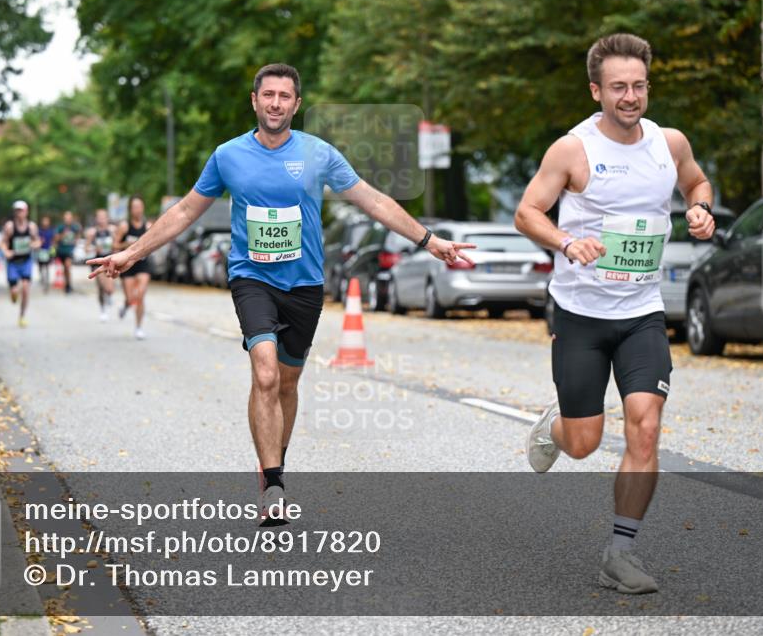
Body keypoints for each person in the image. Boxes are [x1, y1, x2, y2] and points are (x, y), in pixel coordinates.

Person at [90, 63, 474, 525]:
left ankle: (276, 459)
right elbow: (187, 210)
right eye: (267, 94)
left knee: (288, 382)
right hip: (252, 277)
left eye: (284, 96)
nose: (275, 103)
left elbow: (373, 200)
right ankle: (273, 484)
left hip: (305, 284)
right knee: (266, 372)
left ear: (296, 104)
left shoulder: (318, 154)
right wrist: (132, 252)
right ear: (254, 101)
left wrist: (430, 242)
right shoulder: (228, 156)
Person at [514, 33, 715, 594]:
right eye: (619, 87)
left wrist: (700, 207)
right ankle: (555, 428)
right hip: (580, 313)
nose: (631, 96)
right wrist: (565, 241)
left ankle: (619, 553)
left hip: (642, 311)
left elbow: (696, 180)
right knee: (584, 443)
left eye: (639, 86)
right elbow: (527, 211)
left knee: (645, 428)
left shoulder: (668, 143)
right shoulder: (572, 150)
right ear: (596, 90)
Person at [114, 198, 151, 338]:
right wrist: (127, 246)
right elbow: (115, 245)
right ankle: (126, 305)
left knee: (140, 296)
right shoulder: (124, 226)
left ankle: (139, 327)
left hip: (142, 264)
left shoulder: (148, 227)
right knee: (131, 298)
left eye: (139, 206)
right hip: (127, 266)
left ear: (143, 208)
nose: (137, 209)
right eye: (134, 207)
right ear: (130, 209)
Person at [2, 200, 41, 328]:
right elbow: (3, 242)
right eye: (17, 210)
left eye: (22, 210)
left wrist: (34, 245)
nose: (19, 213)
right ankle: (13, 294)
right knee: (14, 291)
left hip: (26, 261)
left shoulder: (31, 227)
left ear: (26, 211)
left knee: (25, 288)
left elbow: (37, 241)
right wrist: (6, 251)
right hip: (13, 262)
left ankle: (22, 316)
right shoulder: (9, 226)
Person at [85, 208, 117, 322]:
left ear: (107, 218)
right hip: (98, 264)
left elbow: (118, 245)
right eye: (99, 217)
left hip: (110, 262)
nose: (102, 219)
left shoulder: (113, 230)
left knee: (110, 288)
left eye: (104, 217)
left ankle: (109, 295)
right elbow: (86, 248)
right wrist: (94, 248)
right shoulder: (92, 232)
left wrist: (114, 246)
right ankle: (103, 310)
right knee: (101, 288)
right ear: (96, 219)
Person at [54, 210, 82, 294]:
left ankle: (68, 285)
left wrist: (76, 241)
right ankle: (67, 283)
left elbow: (78, 234)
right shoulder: (60, 227)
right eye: (66, 218)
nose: (67, 219)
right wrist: (63, 234)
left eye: (69, 218)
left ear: (71, 218)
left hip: (70, 251)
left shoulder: (74, 227)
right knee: (65, 269)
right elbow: (56, 239)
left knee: (67, 266)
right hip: (61, 251)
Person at [37, 215, 55, 293]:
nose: (45, 223)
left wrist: (53, 248)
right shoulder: (39, 231)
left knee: (47, 267)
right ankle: (42, 278)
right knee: (41, 267)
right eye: (44, 221)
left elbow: (53, 240)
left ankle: (46, 283)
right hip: (40, 251)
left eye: (46, 221)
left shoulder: (51, 231)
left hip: (48, 251)